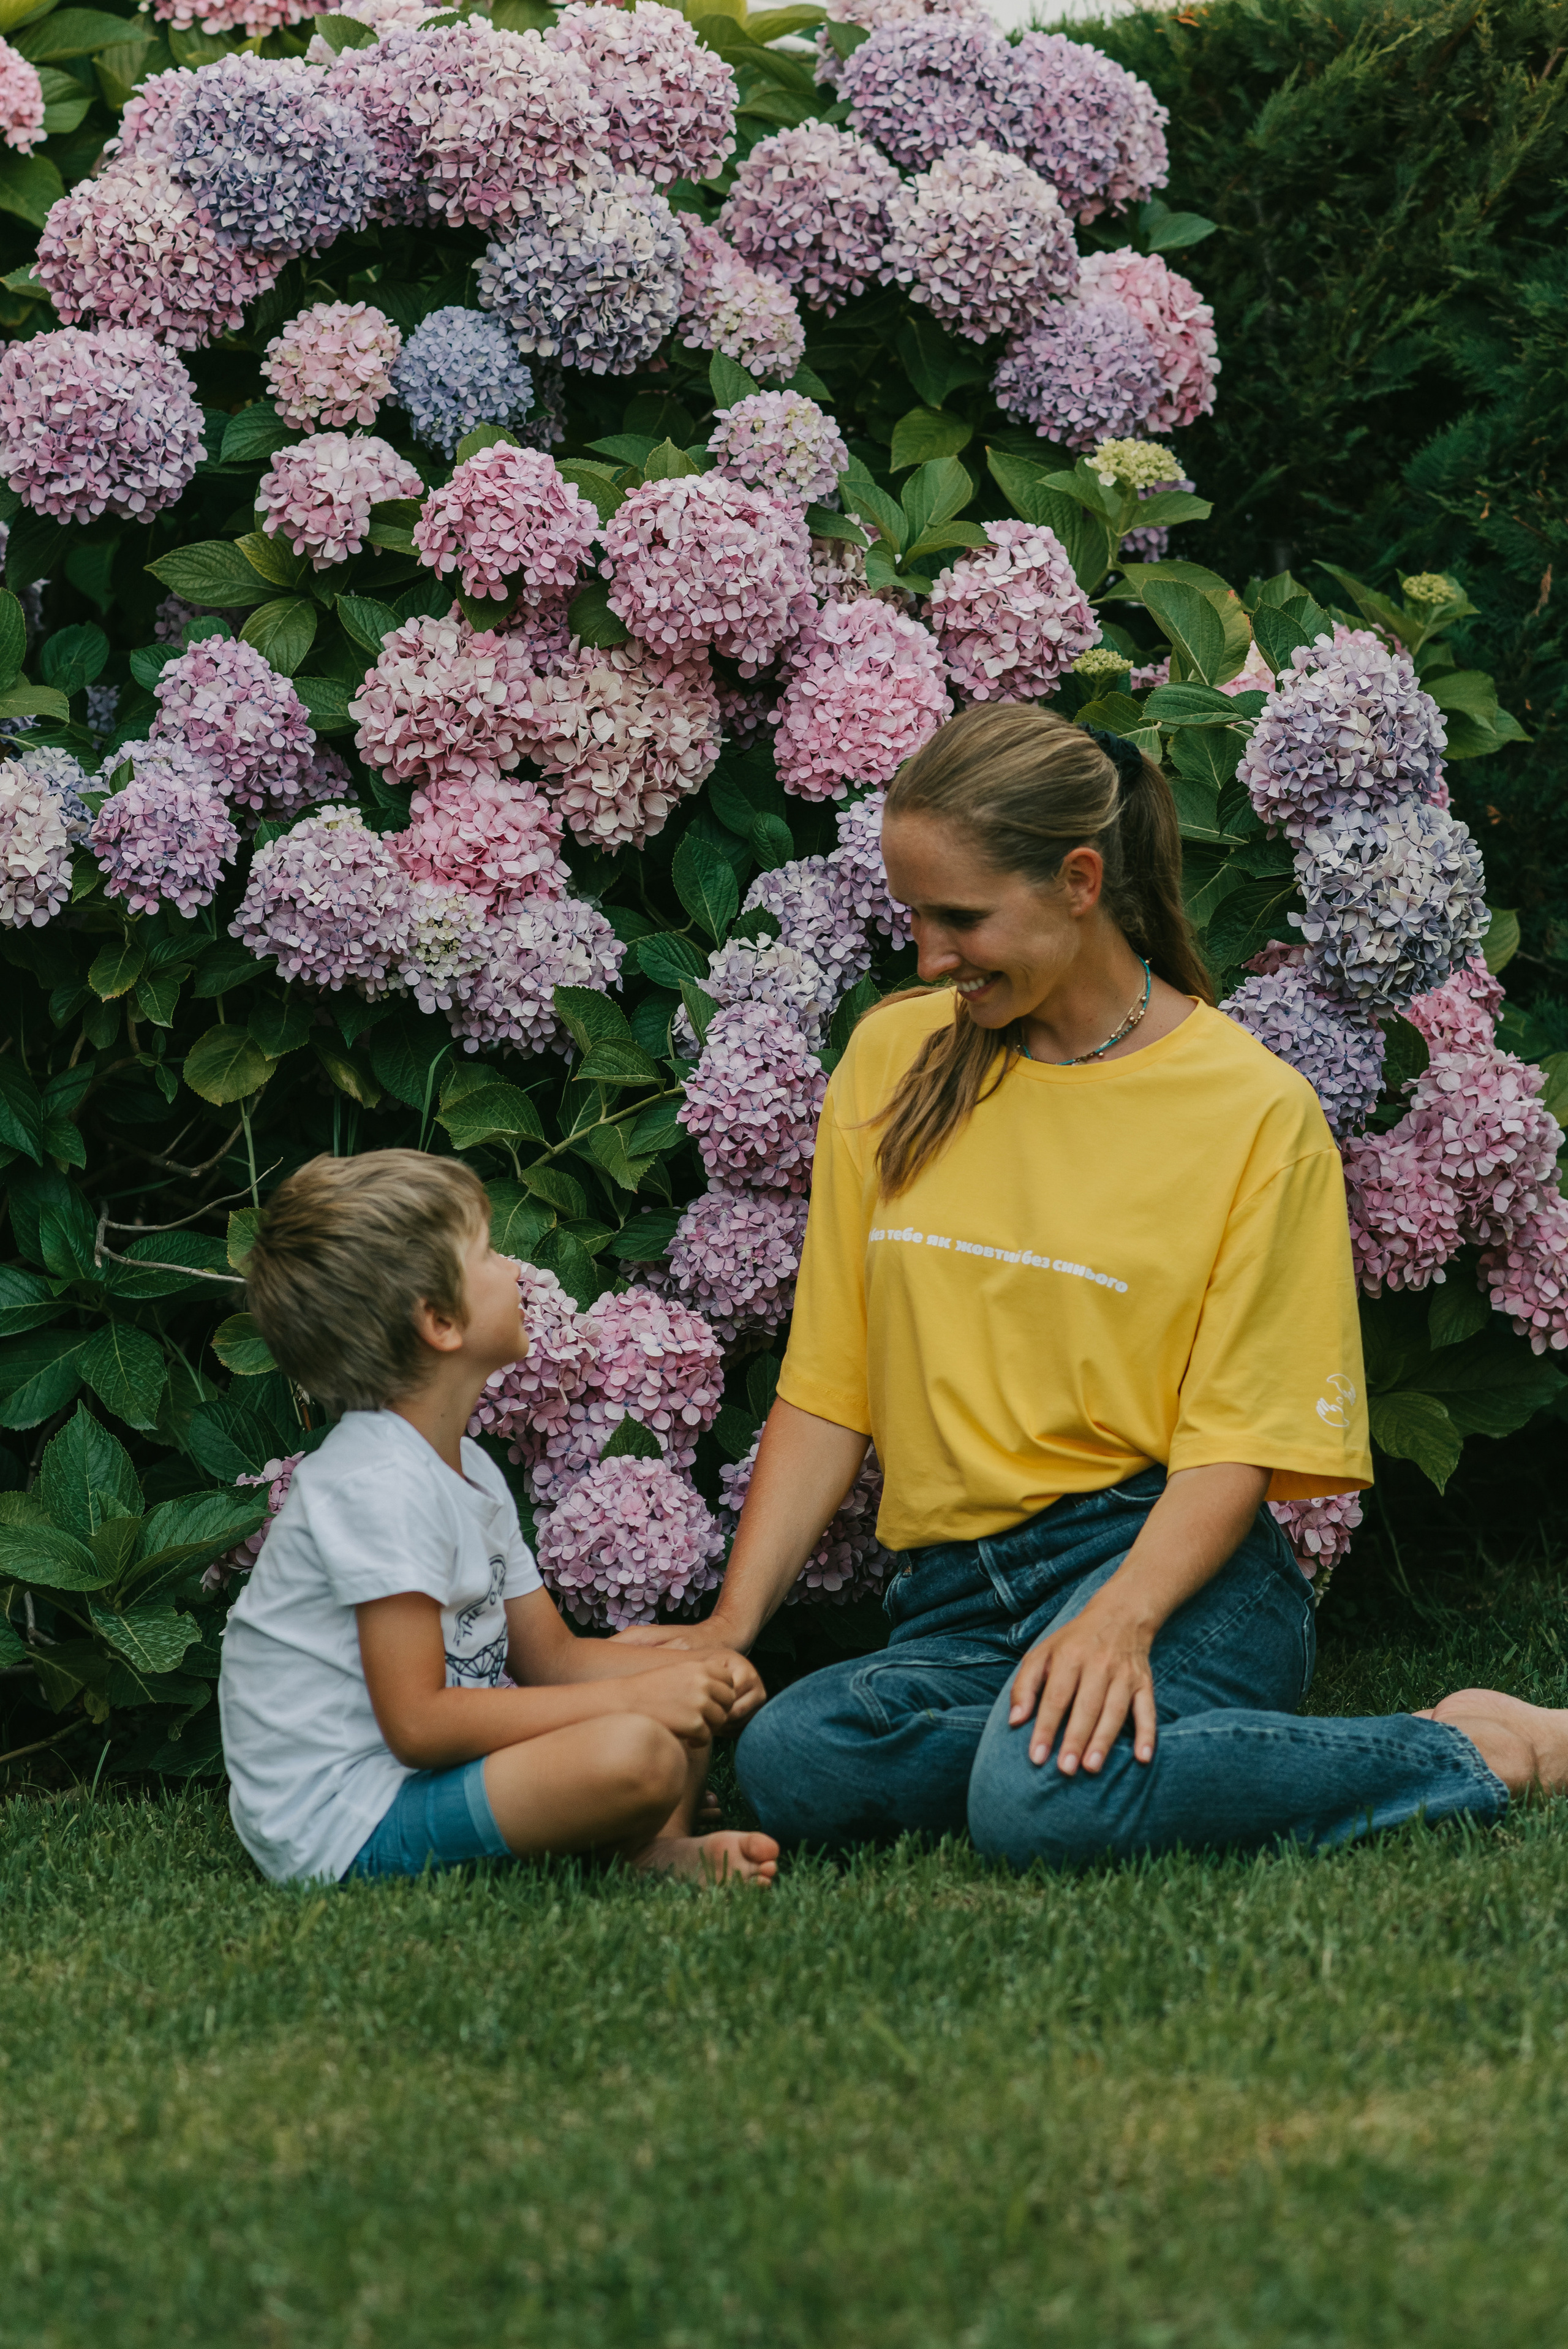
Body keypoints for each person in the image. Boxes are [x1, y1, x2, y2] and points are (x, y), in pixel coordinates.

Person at [625, 704, 1568, 1863]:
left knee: (1041, 1805)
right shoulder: (892, 1056)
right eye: (917, 916)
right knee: (792, 1757)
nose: (929, 956)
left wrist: (1120, 1620)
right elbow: (829, 1386)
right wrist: (731, 1624)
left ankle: (1486, 1746)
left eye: (962, 918)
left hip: (1174, 1568)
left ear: (1080, 879)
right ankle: (1086, 1750)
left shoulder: (1250, 1110)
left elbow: (1237, 1439)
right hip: (956, 1601)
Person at [218, 1151, 777, 1888]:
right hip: (347, 1817)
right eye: (487, 1254)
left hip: (423, 1775)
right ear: (441, 1321)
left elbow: (553, 1662)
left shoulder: (467, 1468)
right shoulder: (377, 1486)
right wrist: (636, 1699)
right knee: (638, 1750)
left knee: (678, 1685)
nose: (515, 1270)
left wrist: (698, 1672)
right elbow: (416, 1726)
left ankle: (646, 1840)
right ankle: (642, 1847)